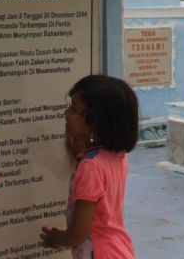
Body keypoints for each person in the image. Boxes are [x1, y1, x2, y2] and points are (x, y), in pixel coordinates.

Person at [39, 74, 138, 258]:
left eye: (74, 109)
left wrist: (58, 238)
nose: (66, 113)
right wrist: (80, 151)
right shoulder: (116, 156)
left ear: (95, 122)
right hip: (119, 248)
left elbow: (79, 233)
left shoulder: (90, 167)